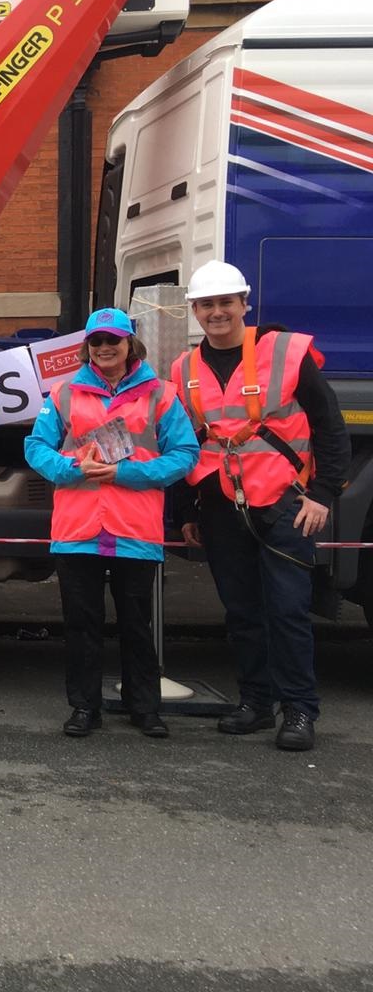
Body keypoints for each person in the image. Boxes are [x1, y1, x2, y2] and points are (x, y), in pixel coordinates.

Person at [171, 261, 351, 752]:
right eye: (207, 304)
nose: (217, 312)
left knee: (287, 610)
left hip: (286, 502)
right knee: (242, 611)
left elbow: (330, 426)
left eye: (226, 302)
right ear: (195, 311)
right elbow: (185, 443)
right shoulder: (183, 368)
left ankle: (298, 710)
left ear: (244, 304)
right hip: (220, 504)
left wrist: (323, 494)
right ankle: (255, 702)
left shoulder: (287, 352)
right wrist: (187, 512)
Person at [25, 307, 198, 739]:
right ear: (88, 347)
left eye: (113, 341)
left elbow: (186, 455)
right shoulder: (64, 393)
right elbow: (35, 447)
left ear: (129, 345)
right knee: (81, 626)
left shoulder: (162, 394)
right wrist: (71, 470)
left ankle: (145, 709)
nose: (105, 348)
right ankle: (85, 708)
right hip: (78, 530)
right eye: (97, 342)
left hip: (133, 530)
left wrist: (126, 474)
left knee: (136, 626)